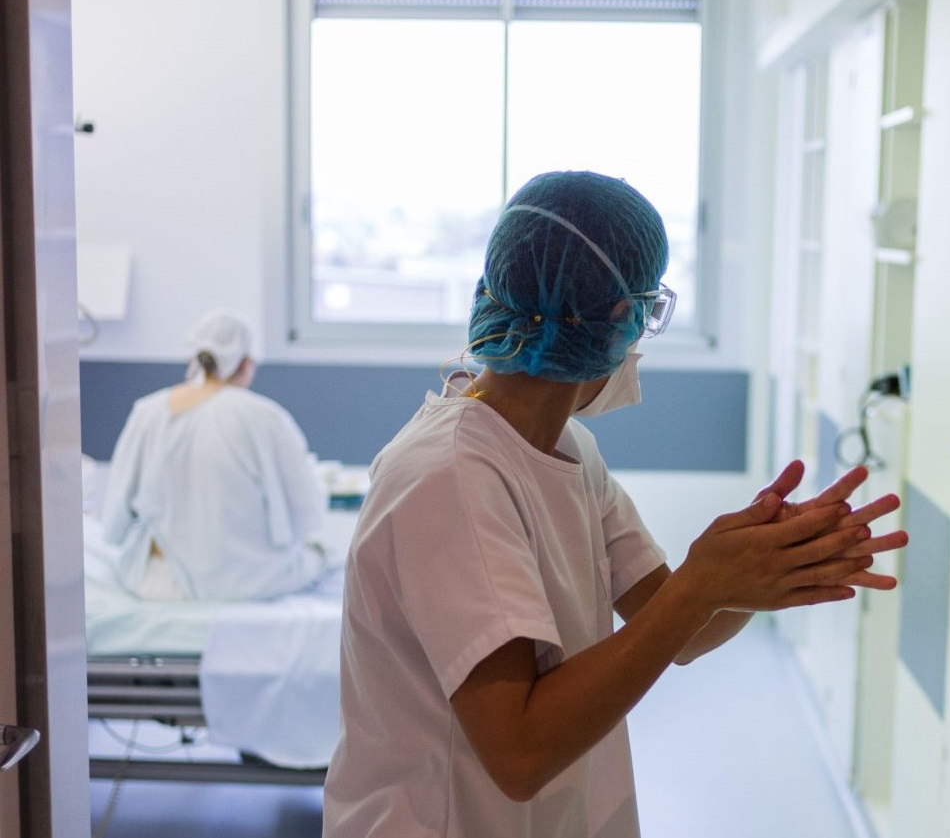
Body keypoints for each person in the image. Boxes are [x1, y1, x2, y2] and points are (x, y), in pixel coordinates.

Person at [321, 171, 908, 838]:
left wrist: (758, 569)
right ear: (624, 320)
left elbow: (680, 631)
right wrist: (702, 584)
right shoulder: (449, 477)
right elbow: (519, 751)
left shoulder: (566, 449)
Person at [100, 309, 329, 601]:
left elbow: (116, 518)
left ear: (192, 359)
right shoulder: (262, 416)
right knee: (323, 554)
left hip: (159, 583)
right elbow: (306, 515)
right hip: (244, 581)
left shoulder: (147, 411)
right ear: (246, 364)